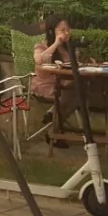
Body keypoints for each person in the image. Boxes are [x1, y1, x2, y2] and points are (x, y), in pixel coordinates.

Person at [31, 17, 80, 146]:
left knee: (80, 94)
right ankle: (55, 129)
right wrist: (56, 44)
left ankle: (53, 124)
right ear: (53, 31)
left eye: (68, 29)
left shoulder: (69, 49)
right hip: (44, 87)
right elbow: (39, 60)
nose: (67, 33)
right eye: (62, 30)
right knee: (78, 92)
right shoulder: (41, 46)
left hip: (63, 87)